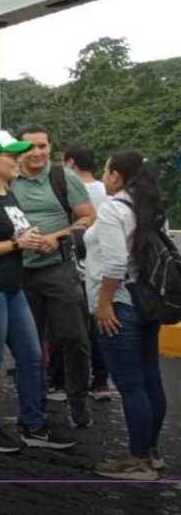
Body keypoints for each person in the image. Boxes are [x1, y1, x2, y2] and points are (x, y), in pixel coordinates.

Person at [0, 131, 76, 453]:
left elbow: (15, 233)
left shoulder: (8, 193)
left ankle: (32, 426)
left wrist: (30, 237)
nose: (19, 159)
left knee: (31, 356)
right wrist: (16, 243)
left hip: (10, 288)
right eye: (12, 155)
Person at [87, 150, 168, 480]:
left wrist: (104, 304)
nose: (104, 177)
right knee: (149, 379)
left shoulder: (112, 210)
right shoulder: (146, 207)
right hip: (145, 303)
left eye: (107, 171)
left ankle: (138, 463)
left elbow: (116, 264)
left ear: (117, 176)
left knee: (131, 385)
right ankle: (149, 450)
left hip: (119, 305)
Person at [12, 125, 96, 428]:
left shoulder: (64, 177)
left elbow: (88, 217)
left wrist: (57, 237)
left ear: (50, 147)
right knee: (28, 344)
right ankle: (34, 406)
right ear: (18, 151)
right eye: (30, 147)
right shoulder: (8, 178)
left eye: (43, 146)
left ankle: (77, 403)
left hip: (58, 269)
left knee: (75, 338)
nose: (37, 153)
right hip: (19, 272)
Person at [61, 144, 112, 402]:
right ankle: (101, 381)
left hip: (76, 268)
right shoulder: (108, 190)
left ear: (70, 163)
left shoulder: (69, 190)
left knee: (73, 331)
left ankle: (68, 383)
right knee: (98, 327)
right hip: (105, 270)